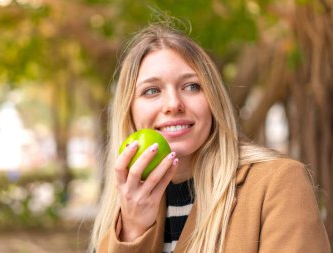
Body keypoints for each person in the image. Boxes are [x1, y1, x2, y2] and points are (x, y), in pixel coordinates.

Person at [89, 22, 330, 253]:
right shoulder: (124, 213)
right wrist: (133, 232)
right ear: (129, 111)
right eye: (152, 91)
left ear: (213, 99)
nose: (173, 104)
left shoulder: (277, 183)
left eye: (191, 86)